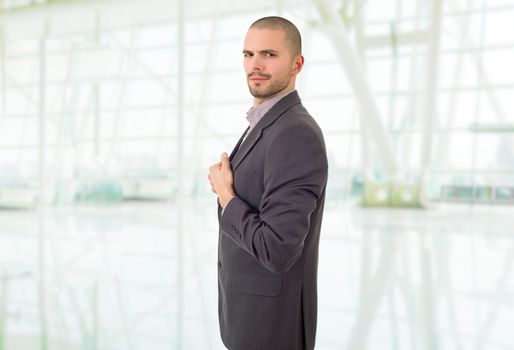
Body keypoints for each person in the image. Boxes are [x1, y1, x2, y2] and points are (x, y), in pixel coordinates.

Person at [208, 16, 328, 350]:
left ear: (296, 64)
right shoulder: (267, 124)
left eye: (269, 55)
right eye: (248, 54)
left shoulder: (295, 133)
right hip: (250, 319)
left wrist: (226, 194)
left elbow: (277, 249)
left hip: (270, 329)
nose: (255, 64)